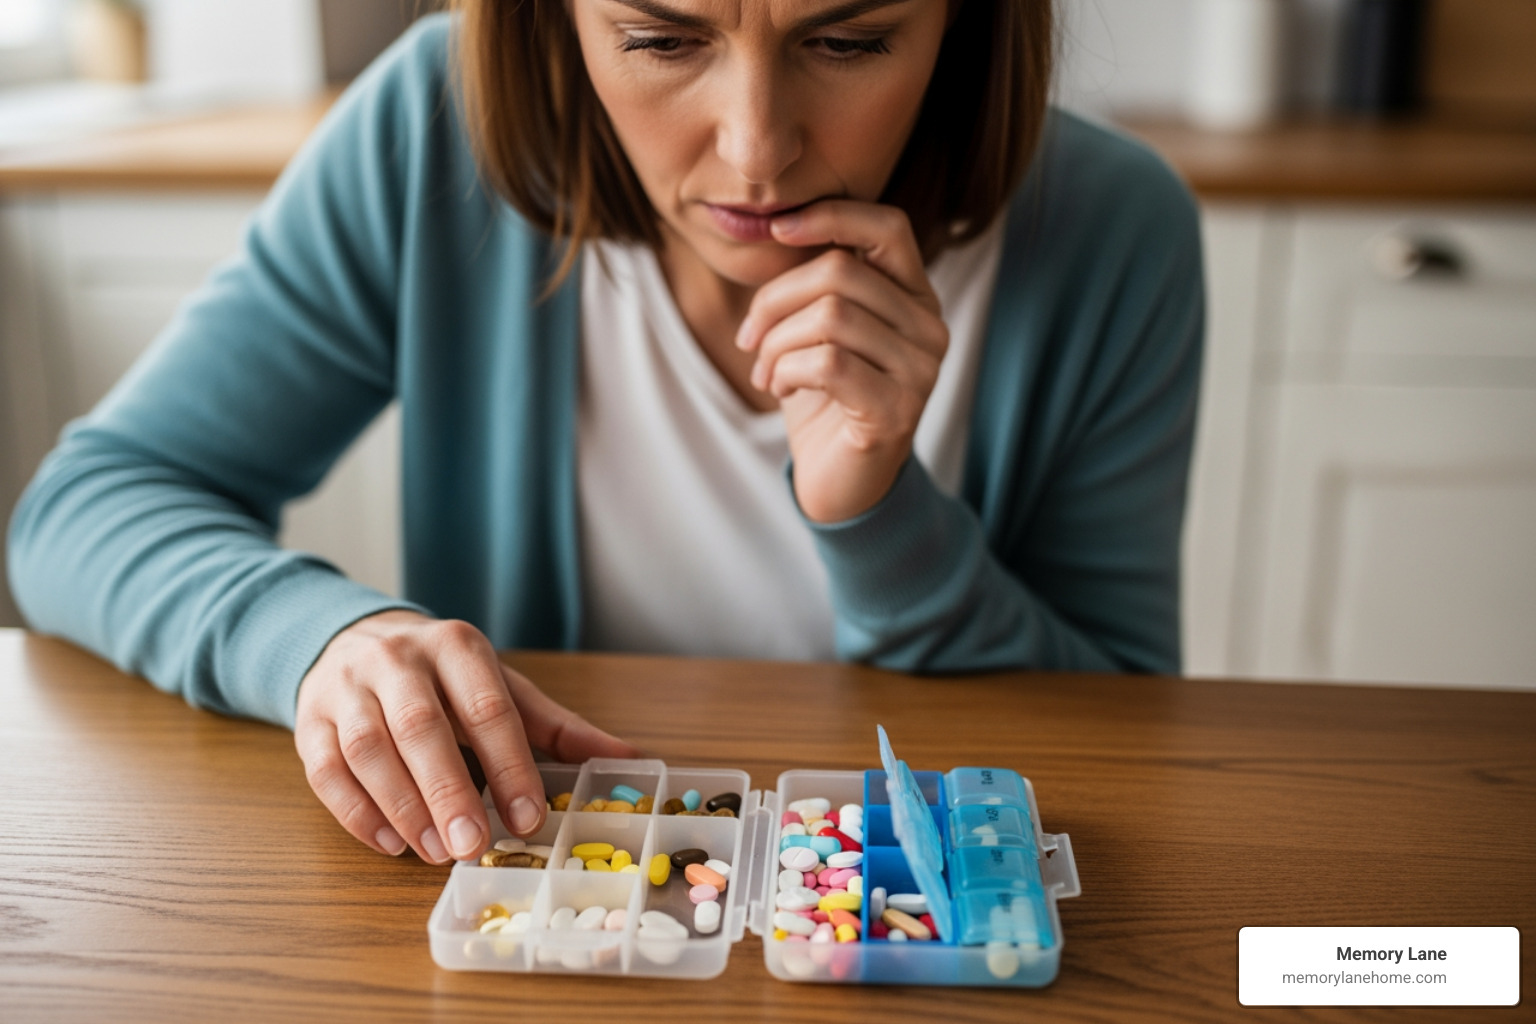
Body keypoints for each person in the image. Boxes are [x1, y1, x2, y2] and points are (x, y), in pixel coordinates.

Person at [7, 1, 1203, 868]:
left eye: (847, 42)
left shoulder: (1112, 230)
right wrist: (326, 639)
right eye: (661, 39)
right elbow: (86, 507)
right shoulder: (432, 132)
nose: (755, 148)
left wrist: (879, 516)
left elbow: (1127, 733)